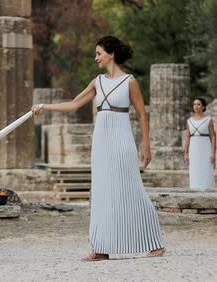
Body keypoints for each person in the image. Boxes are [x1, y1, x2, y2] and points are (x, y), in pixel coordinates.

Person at [32, 36, 166, 260]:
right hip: (101, 143)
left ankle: (155, 242)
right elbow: (74, 103)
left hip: (122, 142)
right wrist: (45, 106)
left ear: (111, 54)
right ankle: (100, 248)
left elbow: (142, 115)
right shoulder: (98, 81)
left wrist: (146, 145)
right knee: (101, 193)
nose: (96, 58)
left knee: (132, 190)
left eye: (99, 53)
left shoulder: (129, 82)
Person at [184, 98, 215, 190]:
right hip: (193, 148)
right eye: (194, 104)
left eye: (198, 104)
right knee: (194, 170)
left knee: (206, 170)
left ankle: (208, 192)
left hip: (205, 147)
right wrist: (185, 153)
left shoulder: (209, 120)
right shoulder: (189, 121)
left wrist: (213, 153)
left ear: (203, 107)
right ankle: (195, 191)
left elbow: (213, 136)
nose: (196, 106)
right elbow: (187, 137)